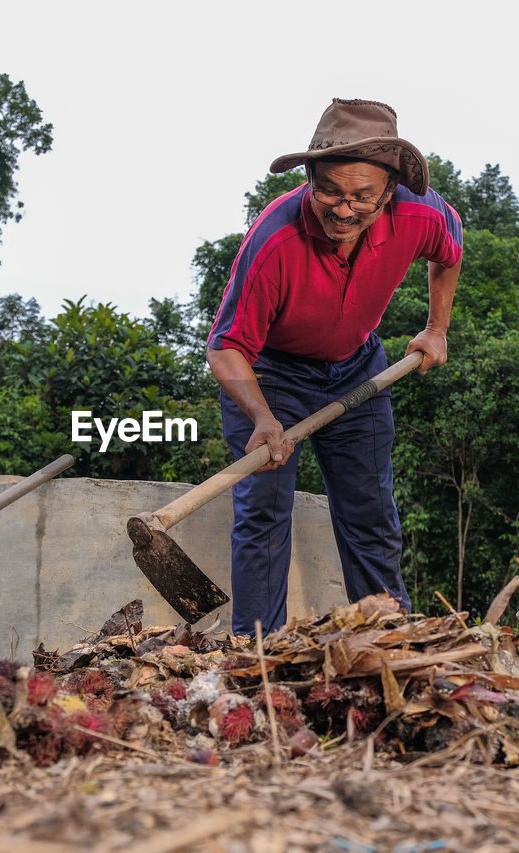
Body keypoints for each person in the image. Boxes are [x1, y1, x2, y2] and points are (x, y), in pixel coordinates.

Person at [206, 98, 464, 636]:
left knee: (370, 512)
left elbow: (451, 247)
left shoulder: (419, 212)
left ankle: (388, 642)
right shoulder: (274, 238)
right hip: (271, 377)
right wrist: (261, 417)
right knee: (263, 517)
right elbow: (226, 346)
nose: (343, 210)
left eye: (362, 196)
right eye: (328, 191)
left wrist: (436, 328)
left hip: (357, 371)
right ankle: (257, 654)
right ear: (309, 178)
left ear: (389, 191)